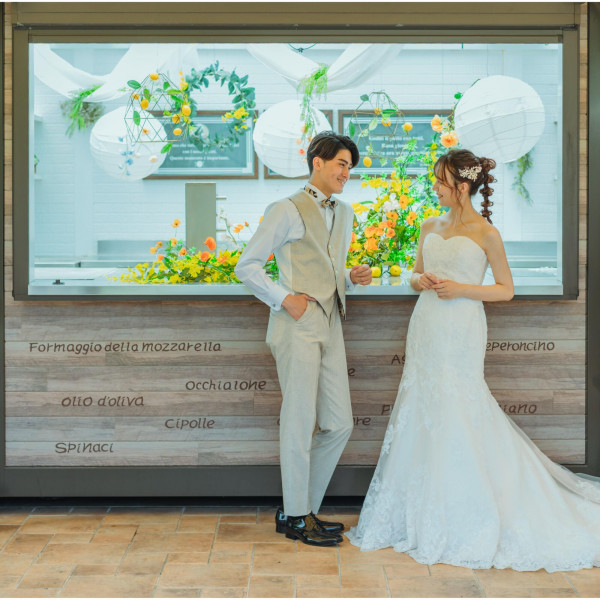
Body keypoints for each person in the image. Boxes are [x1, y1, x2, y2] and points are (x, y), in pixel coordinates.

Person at [347, 148, 600, 571]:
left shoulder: (487, 234)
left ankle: (466, 508)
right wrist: (421, 279)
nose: (435, 187)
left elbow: (505, 289)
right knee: (423, 404)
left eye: (441, 181)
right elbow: (413, 275)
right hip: (427, 324)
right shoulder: (429, 224)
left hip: (461, 327)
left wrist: (461, 289)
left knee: (459, 403)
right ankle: (422, 507)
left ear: (462, 186)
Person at [235, 131, 372, 547]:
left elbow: (326, 267)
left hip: (331, 322)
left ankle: (300, 509)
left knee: (339, 423)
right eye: (341, 164)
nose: (347, 173)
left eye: (350, 167)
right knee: (298, 420)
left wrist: (350, 277)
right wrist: (285, 299)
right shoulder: (285, 208)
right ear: (318, 162)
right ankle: (297, 515)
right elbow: (247, 266)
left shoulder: (344, 212)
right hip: (297, 324)